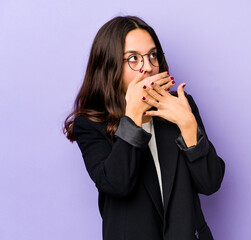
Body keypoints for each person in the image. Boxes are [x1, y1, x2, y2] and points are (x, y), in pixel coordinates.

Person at [63, 16, 225, 240]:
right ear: (110, 66)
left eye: (152, 55)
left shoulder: (180, 105)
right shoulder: (90, 124)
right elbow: (116, 184)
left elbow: (210, 183)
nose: (148, 67)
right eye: (133, 59)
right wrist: (133, 115)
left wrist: (188, 125)